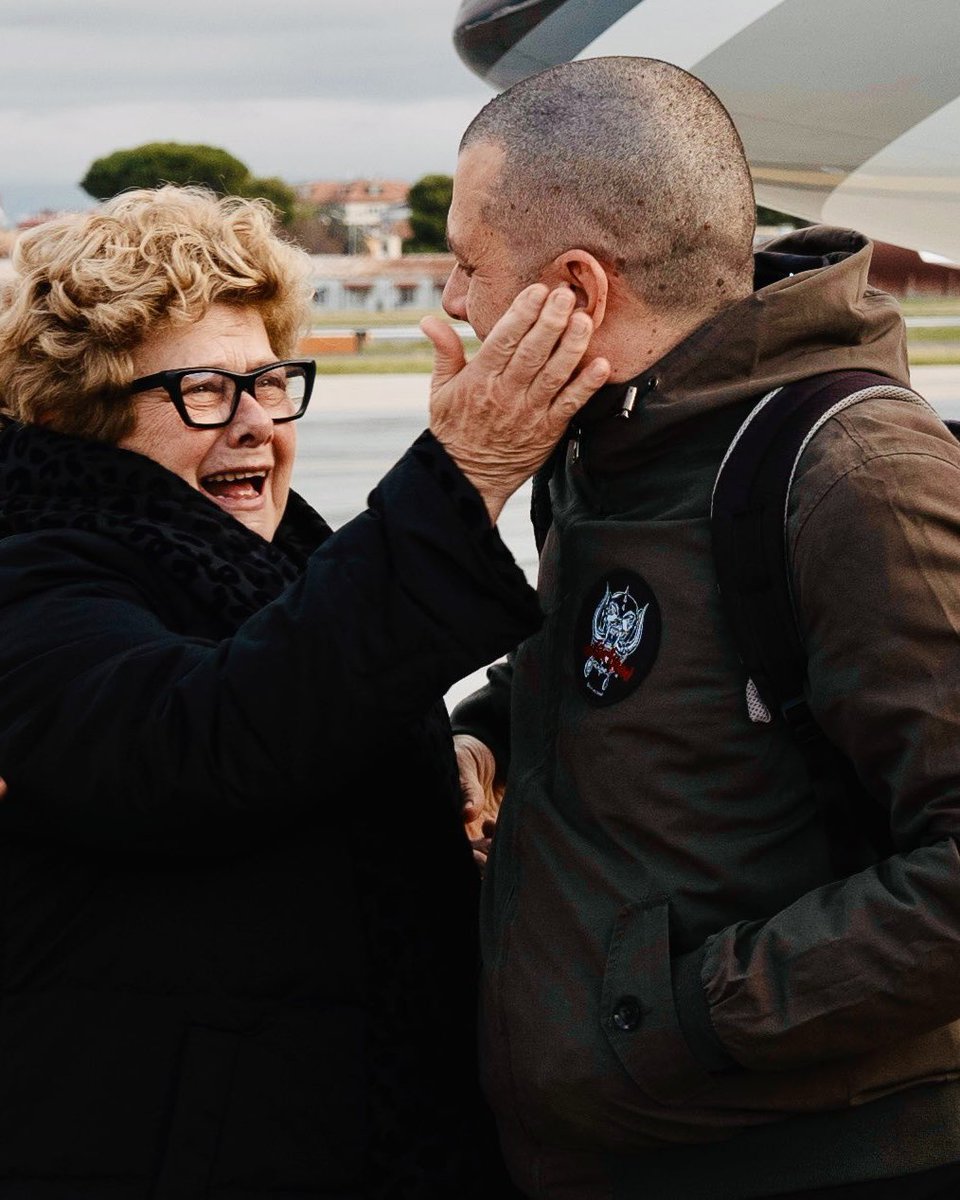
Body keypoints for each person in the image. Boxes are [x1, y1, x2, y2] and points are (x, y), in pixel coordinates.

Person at [0, 185, 610, 1199]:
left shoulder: (276, 550)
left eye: (271, 381)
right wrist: (460, 479)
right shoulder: (32, 572)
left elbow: (312, 699)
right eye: (204, 391)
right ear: (88, 414)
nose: (253, 425)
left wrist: (455, 750)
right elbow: (203, 740)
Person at [450, 57, 960, 1199]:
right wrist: (492, 735)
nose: (450, 298)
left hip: (803, 1163)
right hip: (610, 1156)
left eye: (468, 260)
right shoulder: (600, 448)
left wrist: (686, 1013)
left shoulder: (855, 474)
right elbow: (628, 681)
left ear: (575, 287)